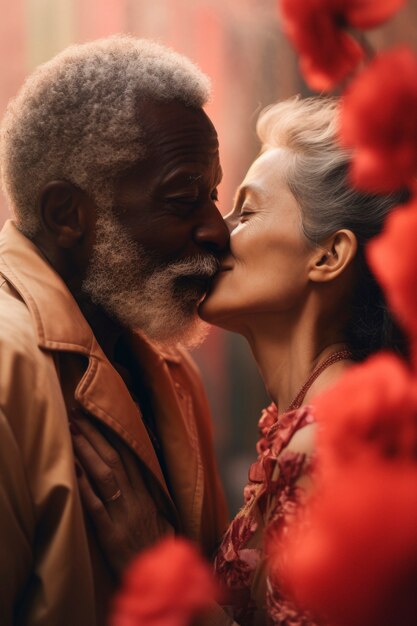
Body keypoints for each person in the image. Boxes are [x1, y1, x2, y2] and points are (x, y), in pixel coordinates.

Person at [75, 96, 408, 625]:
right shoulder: (301, 425)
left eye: (247, 210)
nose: (217, 230)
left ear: (328, 256)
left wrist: (149, 558)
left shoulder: (327, 444)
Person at [0, 36, 231, 626]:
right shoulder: (7, 368)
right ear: (66, 215)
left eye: (214, 195)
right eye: (184, 198)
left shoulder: (168, 364)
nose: (217, 229)